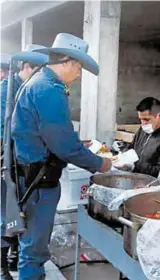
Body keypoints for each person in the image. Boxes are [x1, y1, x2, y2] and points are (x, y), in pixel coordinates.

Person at [11, 33, 112, 280]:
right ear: (66, 61)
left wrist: (78, 145)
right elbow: (63, 145)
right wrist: (101, 163)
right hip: (38, 182)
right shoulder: (47, 89)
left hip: (30, 175)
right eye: (78, 68)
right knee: (34, 250)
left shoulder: (39, 82)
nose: (78, 75)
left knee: (31, 245)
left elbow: (53, 133)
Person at [1, 45, 48, 280]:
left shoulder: (26, 87)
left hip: (18, 161)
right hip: (7, 160)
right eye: (38, 71)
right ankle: (2, 267)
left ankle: (13, 255)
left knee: (19, 212)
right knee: (6, 212)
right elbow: (4, 130)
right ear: (28, 68)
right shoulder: (7, 89)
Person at [116, 97, 160, 191]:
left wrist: (135, 165)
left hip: (156, 190)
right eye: (141, 119)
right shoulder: (143, 130)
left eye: (146, 119)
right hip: (136, 183)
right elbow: (132, 149)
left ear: (159, 116)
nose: (143, 123)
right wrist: (123, 155)